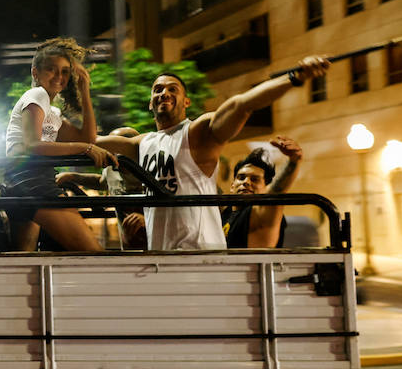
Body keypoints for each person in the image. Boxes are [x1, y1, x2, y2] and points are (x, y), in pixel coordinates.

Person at [94, 56, 330, 250]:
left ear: (186, 102)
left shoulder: (198, 132)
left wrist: (294, 77)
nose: (164, 93)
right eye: (158, 89)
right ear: (150, 103)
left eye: (172, 89)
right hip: (161, 257)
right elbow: (90, 142)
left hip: (200, 257)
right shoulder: (142, 144)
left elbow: (241, 105)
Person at [4, 38, 115, 252]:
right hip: (33, 181)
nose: (59, 77)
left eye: (65, 71)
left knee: (23, 260)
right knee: (94, 254)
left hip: (22, 182)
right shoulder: (37, 94)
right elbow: (33, 145)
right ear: (35, 73)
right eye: (51, 69)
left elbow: (88, 138)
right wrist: (84, 149)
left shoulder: (52, 112)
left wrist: (84, 89)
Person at [222, 136, 303, 248]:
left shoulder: (261, 214)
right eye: (241, 177)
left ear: (266, 188)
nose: (246, 182)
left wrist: (294, 160)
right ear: (232, 186)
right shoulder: (225, 212)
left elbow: (276, 192)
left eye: (254, 179)